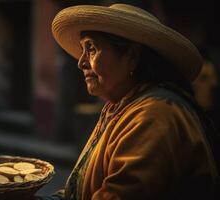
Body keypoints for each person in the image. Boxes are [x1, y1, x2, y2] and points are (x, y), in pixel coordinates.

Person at [37, 3, 219, 200]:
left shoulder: (154, 115)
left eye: (91, 48)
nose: (81, 62)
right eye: (82, 49)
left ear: (131, 56)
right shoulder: (122, 107)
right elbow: (83, 190)